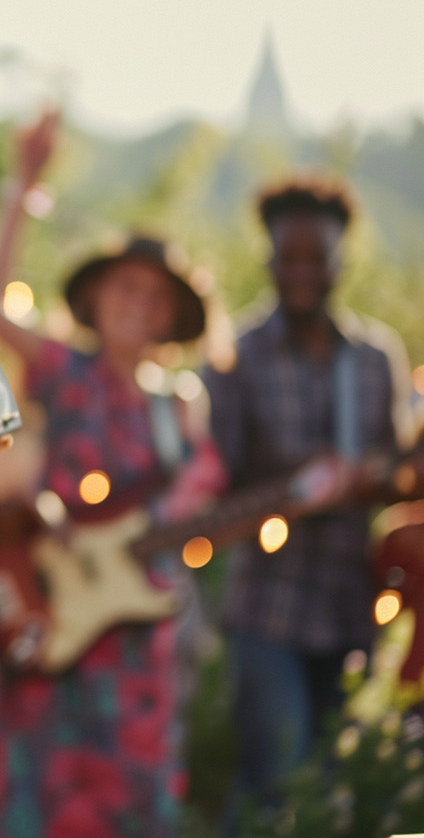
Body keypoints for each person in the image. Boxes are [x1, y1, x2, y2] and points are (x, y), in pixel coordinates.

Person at [0, 118, 227, 837]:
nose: (137, 305)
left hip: (141, 628)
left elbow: (195, 504)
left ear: (173, 318)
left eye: (155, 298)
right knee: (39, 786)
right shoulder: (64, 369)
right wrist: (23, 186)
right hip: (56, 605)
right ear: (95, 297)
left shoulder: (179, 405)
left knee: (129, 792)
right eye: (126, 288)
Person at [202, 176, 416, 830]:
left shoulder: (377, 358)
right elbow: (215, 485)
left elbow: (403, 471)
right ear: (269, 259)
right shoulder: (235, 355)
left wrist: (368, 478)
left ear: (337, 262)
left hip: (350, 606)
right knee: (277, 777)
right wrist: (295, 486)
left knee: (331, 786)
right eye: (286, 258)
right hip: (269, 606)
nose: (300, 272)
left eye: (313, 258)